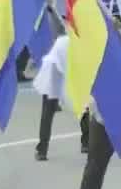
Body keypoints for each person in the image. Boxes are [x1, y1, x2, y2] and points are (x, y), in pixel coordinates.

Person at [32, 32, 90, 160]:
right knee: (80, 103)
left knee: (80, 104)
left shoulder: (65, 41)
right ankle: (86, 142)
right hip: (54, 71)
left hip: (61, 68)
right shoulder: (70, 42)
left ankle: (42, 150)